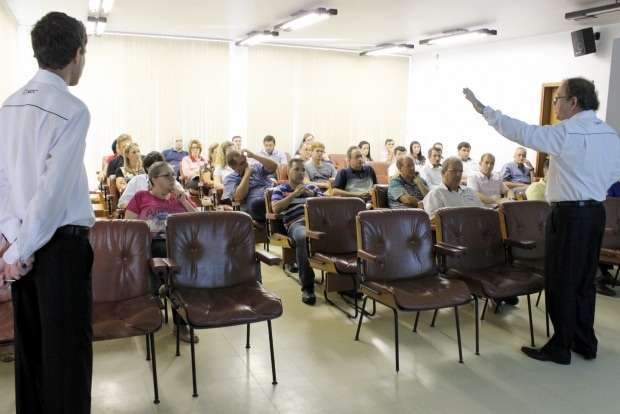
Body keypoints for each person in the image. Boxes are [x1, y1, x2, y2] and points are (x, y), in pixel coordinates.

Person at [464, 77, 620, 365]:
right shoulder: (609, 133)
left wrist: (486, 111)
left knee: (560, 280)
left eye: (558, 99)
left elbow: (523, 132)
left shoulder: (566, 132)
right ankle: (585, 342)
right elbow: (615, 173)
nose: (555, 104)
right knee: (585, 280)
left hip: (570, 216)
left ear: (574, 102)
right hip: (596, 213)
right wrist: (591, 186)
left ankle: (560, 346)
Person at [0, 12, 94, 413]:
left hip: (22, 248)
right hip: (59, 248)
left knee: (32, 355)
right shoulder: (73, 109)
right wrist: (21, 249)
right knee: (67, 361)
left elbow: (3, 182)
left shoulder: (8, 105)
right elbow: (51, 195)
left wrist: (13, 246)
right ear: (76, 54)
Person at [125, 161, 198, 343]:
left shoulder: (179, 198)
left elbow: (198, 220)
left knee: (182, 262)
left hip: (179, 245)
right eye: (167, 175)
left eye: (174, 175)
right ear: (153, 179)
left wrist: (183, 200)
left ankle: (167, 291)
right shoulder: (141, 197)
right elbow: (128, 228)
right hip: (151, 245)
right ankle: (170, 302)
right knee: (173, 263)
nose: (173, 179)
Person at [271, 159, 323, 305]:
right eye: (297, 169)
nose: (301, 173)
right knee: (303, 237)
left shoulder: (312, 187)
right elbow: (276, 208)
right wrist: (294, 194)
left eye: (303, 170)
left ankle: (345, 283)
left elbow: (326, 204)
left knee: (342, 232)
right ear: (288, 171)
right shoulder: (280, 189)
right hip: (297, 223)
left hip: (317, 223)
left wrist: (309, 194)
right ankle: (307, 286)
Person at [117, 151, 186, 209]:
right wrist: (140, 209)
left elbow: (184, 199)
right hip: (142, 217)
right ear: (147, 168)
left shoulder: (171, 181)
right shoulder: (136, 181)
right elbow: (122, 203)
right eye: (155, 167)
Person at [224, 149, 277, 222]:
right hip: (257, 203)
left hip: (273, 193)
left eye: (245, 160)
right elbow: (238, 197)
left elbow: (274, 167)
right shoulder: (230, 179)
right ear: (234, 167)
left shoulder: (256, 168)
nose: (246, 164)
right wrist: (247, 174)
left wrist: (253, 156)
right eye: (242, 163)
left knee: (284, 192)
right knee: (258, 204)